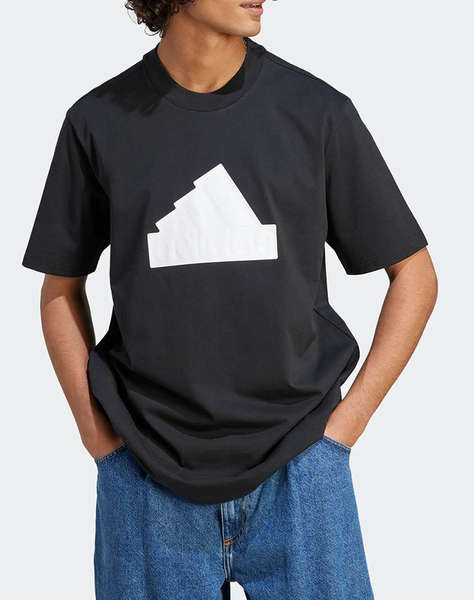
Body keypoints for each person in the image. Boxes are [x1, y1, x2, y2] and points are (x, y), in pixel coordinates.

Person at [23, 1, 437, 598]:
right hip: (145, 471)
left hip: (301, 467)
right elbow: (60, 288)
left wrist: (344, 430)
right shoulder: (98, 120)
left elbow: (414, 274)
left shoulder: (316, 111)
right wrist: (100, 441)